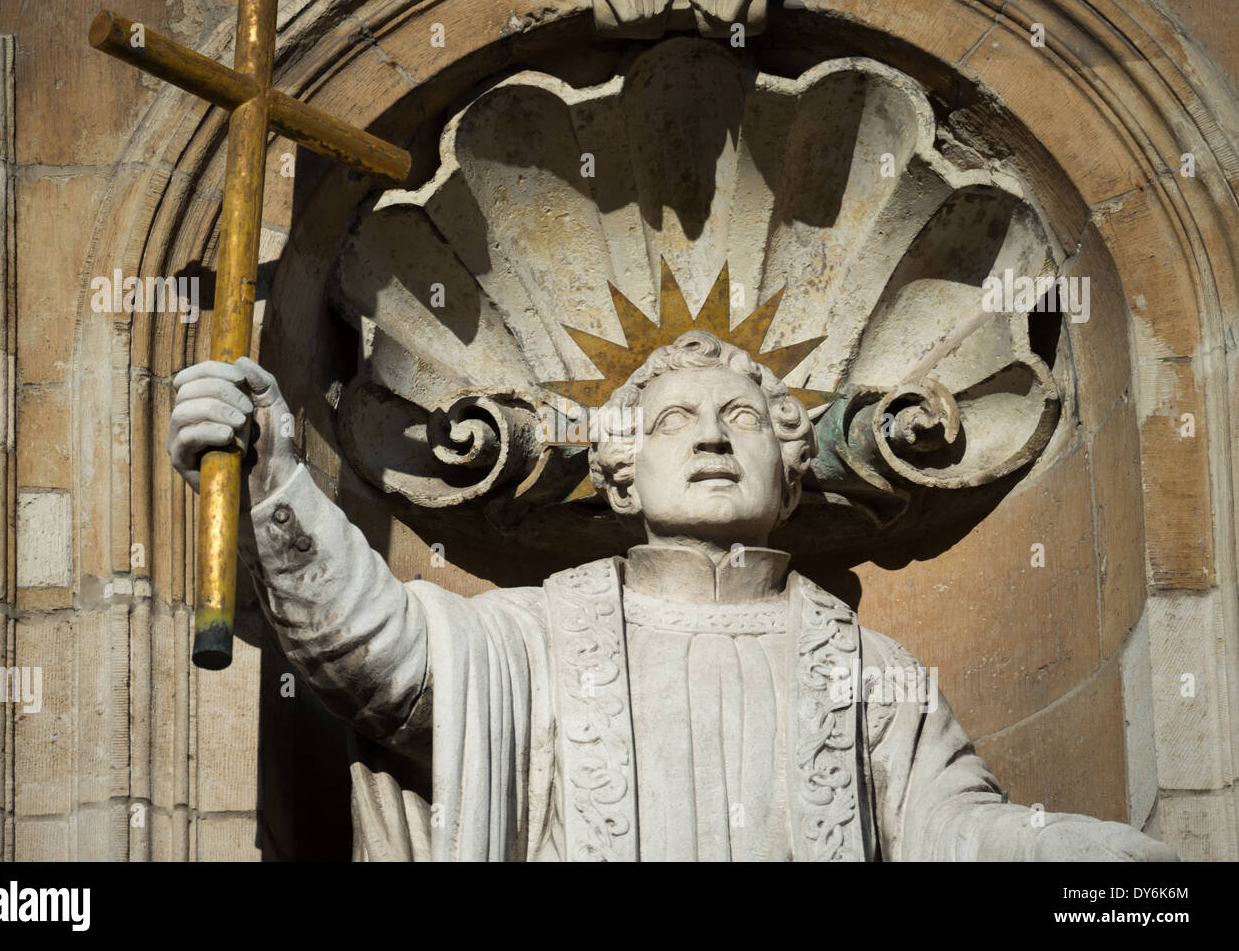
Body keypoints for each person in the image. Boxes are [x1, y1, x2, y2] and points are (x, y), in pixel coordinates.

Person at [168, 330, 1177, 861]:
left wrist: (1085, 860)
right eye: (672, 421)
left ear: (790, 474)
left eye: (742, 418)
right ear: (621, 473)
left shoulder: (868, 670)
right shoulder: (532, 638)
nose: (708, 437)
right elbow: (367, 649)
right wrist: (274, 481)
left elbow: (952, 835)